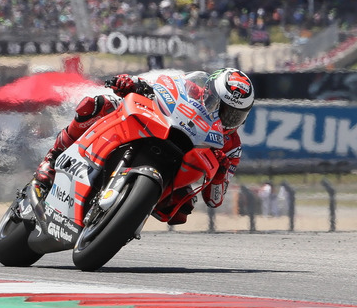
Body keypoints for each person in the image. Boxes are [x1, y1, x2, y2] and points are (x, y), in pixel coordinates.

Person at [34, 68, 254, 225]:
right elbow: (158, 86)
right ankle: (52, 158)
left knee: (182, 208)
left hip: (177, 171)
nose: (227, 119)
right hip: (159, 126)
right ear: (209, 92)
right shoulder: (191, 87)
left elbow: (214, 199)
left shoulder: (232, 147)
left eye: (235, 115)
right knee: (97, 106)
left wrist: (220, 172)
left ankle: (129, 214)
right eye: (223, 109)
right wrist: (131, 84)